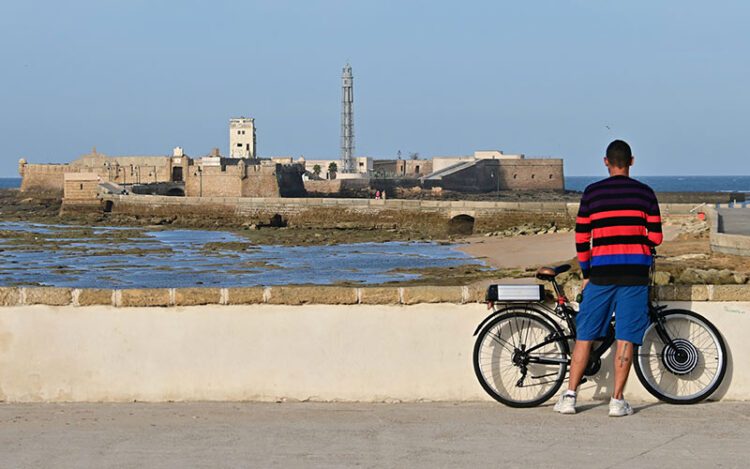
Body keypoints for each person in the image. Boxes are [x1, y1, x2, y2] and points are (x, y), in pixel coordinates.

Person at [554, 139, 663, 417]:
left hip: (601, 274)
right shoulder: (645, 193)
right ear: (632, 161)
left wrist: (587, 273)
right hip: (635, 275)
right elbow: (656, 237)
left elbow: (581, 238)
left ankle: (569, 397)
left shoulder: (592, 193)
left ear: (606, 162)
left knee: (585, 336)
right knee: (626, 337)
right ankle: (617, 401)